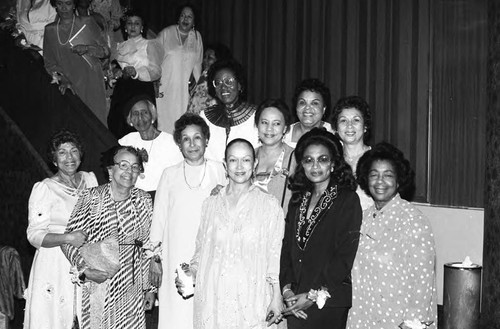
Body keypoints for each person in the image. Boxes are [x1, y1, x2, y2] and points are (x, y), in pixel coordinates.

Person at [182, 139, 285, 328]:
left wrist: (276, 296)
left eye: (245, 160)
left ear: (254, 164)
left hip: (251, 299)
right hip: (213, 299)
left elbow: (275, 255)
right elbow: (201, 251)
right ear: (224, 164)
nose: (239, 167)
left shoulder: (269, 205)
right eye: (233, 160)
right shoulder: (210, 205)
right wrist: (190, 273)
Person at [61, 145, 155, 329]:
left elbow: (147, 247)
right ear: (111, 170)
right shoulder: (92, 197)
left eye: (135, 167)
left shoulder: (144, 200)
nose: (129, 171)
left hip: (132, 288)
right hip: (99, 284)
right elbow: (68, 241)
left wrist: (150, 289)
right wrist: (85, 271)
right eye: (124, 165)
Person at [347, 142, 437, 329]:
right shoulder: (363, 217)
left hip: (399, 320)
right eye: (374, 175)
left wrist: (413, 322)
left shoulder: (413, 220)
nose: (380, 182)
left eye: (388, 175)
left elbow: (423, 280)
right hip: (363, 316)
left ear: (398, 181)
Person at [148, 113, 226, 329]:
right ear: (179, 144)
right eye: (186, 139)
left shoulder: (220, 170)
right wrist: (155, 258)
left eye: (197, 137)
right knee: (177, 317)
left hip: (210, 256)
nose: (192, 144)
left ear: (206, 140)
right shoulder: (169, 174)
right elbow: (159, 219)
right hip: (175, 255)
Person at [280, 128, 362, 329]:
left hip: (328, 302)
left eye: (322, 159)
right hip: (295, 302)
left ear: (333, 164)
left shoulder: (347, 199)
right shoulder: (298, 199)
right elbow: (287, 247)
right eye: (308, 160)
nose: (315, 166)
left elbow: (344, 257)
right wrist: (287, 290)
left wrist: (312, 295)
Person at [24, 130, 98, 329]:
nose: (69, 157)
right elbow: (34, 235)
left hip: (85, 260)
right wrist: (67, 237)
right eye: (62, 152)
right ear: (54, 159)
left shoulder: (90, 180)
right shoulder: (45, 188)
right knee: (55, 320)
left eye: (74, 151)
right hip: (54, 264)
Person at [43, 0, 109, 126]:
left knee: (98, 124)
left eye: (68, 3)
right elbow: (49, 64)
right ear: (55, 5)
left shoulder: (87, 22)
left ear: (74, 5)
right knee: (75, 125)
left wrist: (88, 48)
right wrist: (62, 78)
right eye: (60, 3)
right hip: (70, 86)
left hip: (92, 81)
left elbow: (106, 51)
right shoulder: (50, 30)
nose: (64, 8)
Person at [108, 10, 163, 138]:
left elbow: (156, 71)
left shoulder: (149, 44)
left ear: (142, 27)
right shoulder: (119, 47)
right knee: (119, 125)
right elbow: (112, 70)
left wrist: (136, 72)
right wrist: (115, 73)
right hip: (122, 91)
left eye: (136, 23)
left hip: (141, 89)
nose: (133, 26)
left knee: (141, 124)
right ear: (125, 27)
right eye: (129, 23)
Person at [118, 96, 183, 196]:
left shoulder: (170, 142)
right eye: (135, 113)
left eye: (144, 112)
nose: (140, 117)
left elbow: (178, 177)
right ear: (130, 119)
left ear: (152, 115)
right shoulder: (126, 141)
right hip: (134, 198)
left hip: (162, 197)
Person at [200, 59, 259, 162]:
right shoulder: (205, 117)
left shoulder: (257, 116)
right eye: (218, 83)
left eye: (229, 81)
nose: (223, 87)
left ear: (239, 85)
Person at [156, 3, 203, 133]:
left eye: (189, 16)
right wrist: (154, 82)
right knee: (164, 126)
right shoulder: (166, 33)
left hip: (184, 93)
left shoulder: (197, 37)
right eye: (183, 15)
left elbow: (197, 66)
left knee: (182, 127)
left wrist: (200, 93)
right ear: (178, 18)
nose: (185, 19)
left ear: (194, 21)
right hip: (164, 89)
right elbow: (153, 61)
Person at [330, 95, 374, 210]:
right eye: (343, 120)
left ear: (365, 127)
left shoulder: (377, 160)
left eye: (356, 120)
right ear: (336, 128)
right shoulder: (331, 161)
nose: (349, 125)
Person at [254, 98, 296, 213]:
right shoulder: (248, 156)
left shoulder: (295, 158)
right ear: (257, 125)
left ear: (285, 128)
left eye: (276, 123)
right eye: (264, 122)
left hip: (282, 227)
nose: (269, 128)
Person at [284, 79, 334, 148]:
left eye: (315, 103)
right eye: (302, 102)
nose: (307, 108)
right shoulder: (284, 134)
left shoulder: (334, 135)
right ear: (296, 107)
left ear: (324, 109)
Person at [187, 42, 232, 114]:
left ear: (219, 60)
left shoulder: (222, 79)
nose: (204, 60)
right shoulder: (204, 75)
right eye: (205, 57)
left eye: (210, 58)